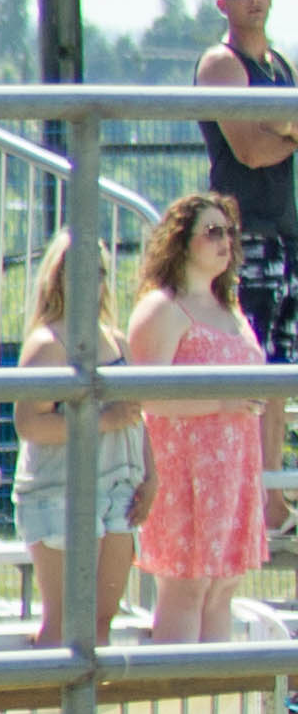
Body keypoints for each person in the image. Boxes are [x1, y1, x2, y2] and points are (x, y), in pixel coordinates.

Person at [129, 191, 276, 643]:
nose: (224, 241)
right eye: (212, 231)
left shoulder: (231, 308)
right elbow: (143, 400)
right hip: (183, 471)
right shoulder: (164, 308)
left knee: (222, 586)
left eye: (229, 232)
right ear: (180, 242)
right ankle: (175, 701)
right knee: (187, 587)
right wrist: (221, 404)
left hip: (234, 471)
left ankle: (213, 704)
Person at [5, 237, 141, 647]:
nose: (91, 281)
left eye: (99, 272)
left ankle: (91, 710)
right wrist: (102, 420)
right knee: (66, 624)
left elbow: (137, 416)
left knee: (102, 619)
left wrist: (149, 476)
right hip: (59, 490)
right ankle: (45, 709)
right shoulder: (47, 344)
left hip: (120, 488)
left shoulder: (117, 340)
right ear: (57, 277)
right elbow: (30, 423)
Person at [196, 0, 293, 365]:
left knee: (280, 370)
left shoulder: (281, 66)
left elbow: (272, 136)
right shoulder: (221, 63)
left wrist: (281, 127)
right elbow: (251, 151)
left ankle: (274, 435)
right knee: (248, 364)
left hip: (287, 232)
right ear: (223, 4)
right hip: (244, 234)